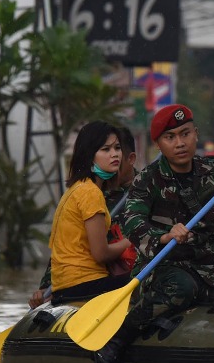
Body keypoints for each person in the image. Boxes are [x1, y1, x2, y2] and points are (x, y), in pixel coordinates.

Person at [102, 105, 214, 363]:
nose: (180, 143)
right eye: (170, 137)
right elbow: (133, 224)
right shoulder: (147, 180)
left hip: (205, 271)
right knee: (182, 287)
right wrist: (165, 236)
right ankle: (113, 344)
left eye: (185, 134)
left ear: (195, 134)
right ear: (159, 144)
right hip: (160, 269)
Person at [30, 122, 135, 307]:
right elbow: (101, 254)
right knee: (151, 279)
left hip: (66, 286)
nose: (115, 154)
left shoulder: (76, 188)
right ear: (89, 155)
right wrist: (130, 241)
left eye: (117, 148)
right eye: (106, 149)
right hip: (84, 284)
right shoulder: (91, 193)